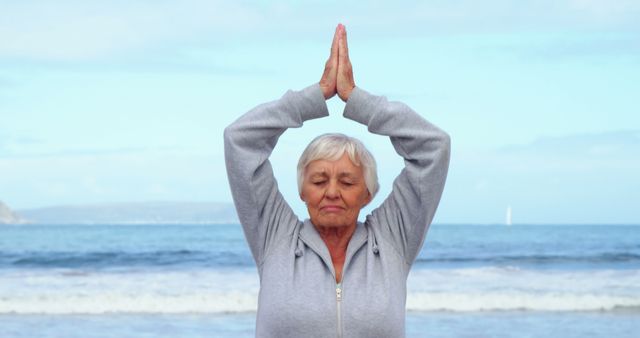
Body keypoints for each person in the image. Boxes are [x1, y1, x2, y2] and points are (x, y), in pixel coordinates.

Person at [224, 23, 450, 338]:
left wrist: (355, 99)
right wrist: (316, 96)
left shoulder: (391, 240)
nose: (332, 192)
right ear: (302, 190)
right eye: (318, 181)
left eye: (346, 182)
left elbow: (433, 147)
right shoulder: (275, 238)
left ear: (368, 193)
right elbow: (240, 140)